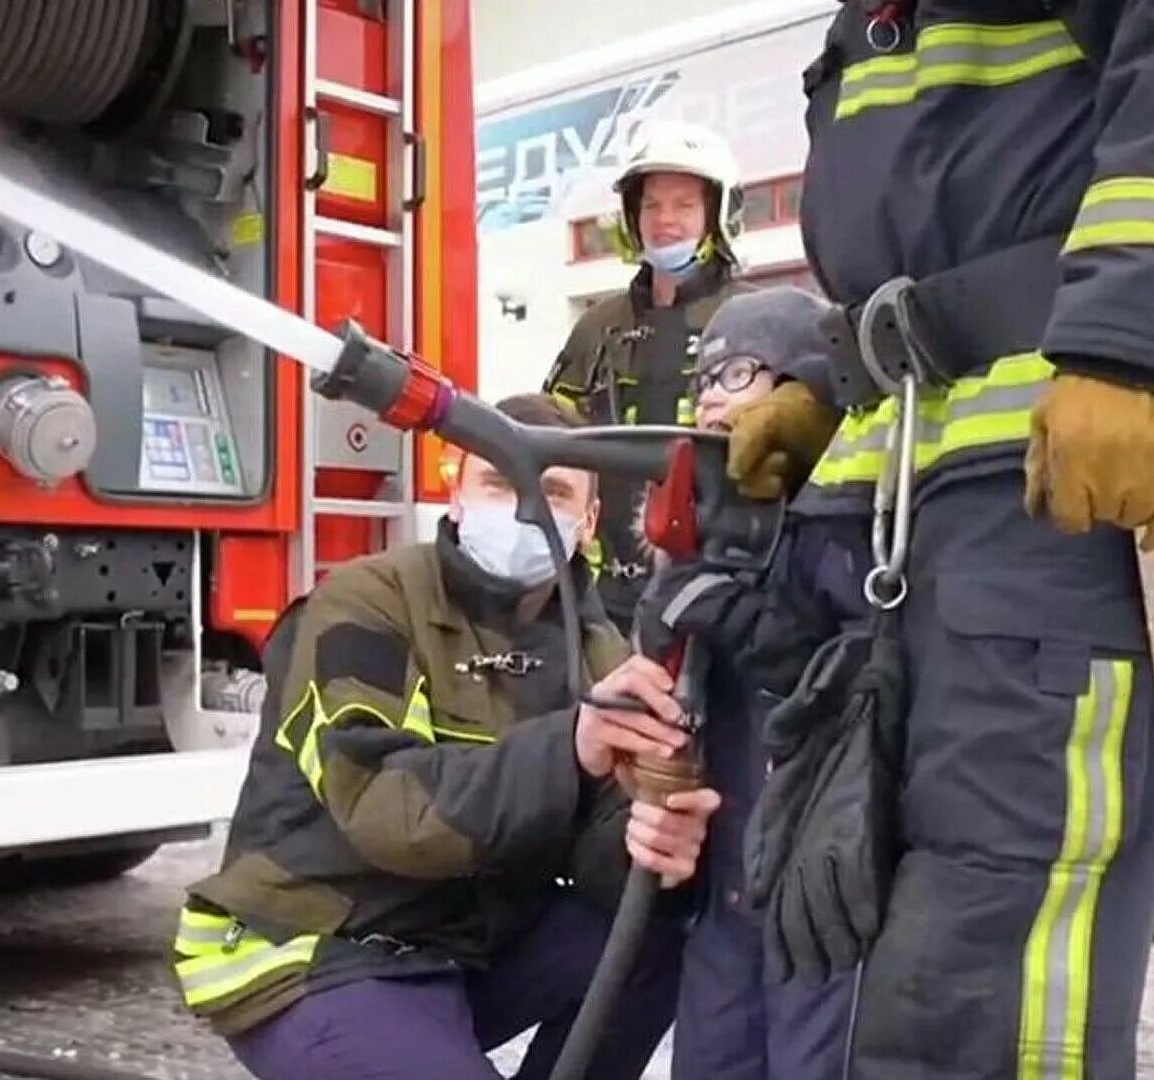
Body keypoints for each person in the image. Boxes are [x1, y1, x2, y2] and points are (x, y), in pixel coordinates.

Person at [722, 2, 1154, 1076]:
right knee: (870, 953)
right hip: (909, 500)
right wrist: (836, 381)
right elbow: (939, 208)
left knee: (989, 968)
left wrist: (1134, 346)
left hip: (1047, 495)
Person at [172, 392, 722, 1080]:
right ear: (456, 494)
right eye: (498, 480)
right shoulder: (365, 603)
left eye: (550, 490)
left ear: (586, 523)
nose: (523, 506)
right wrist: (571, 749)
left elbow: (604, 863)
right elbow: (384, 809)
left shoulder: (596, 649)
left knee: (650, 935)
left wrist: (655, 840)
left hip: (457, 946)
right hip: (317, 946)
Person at [654, 287, 858, 1080]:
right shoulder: (703, 517)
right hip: (727, 886)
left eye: (737, 371)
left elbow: (857, 676)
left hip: (819, 888)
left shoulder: (842, 515)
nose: (709, 393)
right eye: (704, 375)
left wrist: (748, 622)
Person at [544, 119, 756, 636]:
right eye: (653, 205)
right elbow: (551, 434)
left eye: (684, 205)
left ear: (717, 215)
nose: (666, 221)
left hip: (723, 594)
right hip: (602, 602)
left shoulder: (756, 319)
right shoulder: (598, 327)